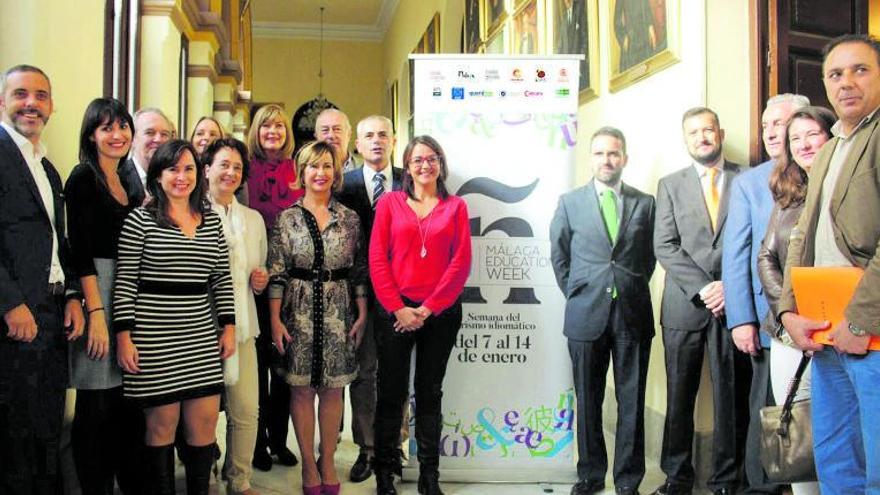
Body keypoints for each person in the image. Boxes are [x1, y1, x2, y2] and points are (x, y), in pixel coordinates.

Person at [778, 34, 880, 494]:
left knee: (876, 463)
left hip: (869, 334)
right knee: (836, 460)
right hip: (824, 332)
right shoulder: (831, 146)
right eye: (835, 74)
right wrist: (787, 313)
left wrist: (859, 323)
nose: (846, 83)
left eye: (860, 70)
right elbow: (801, 236)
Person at [113, 139, 236, 494]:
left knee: (204, 427)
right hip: (153, 339)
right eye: (173, 169)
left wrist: (228, 327)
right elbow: (125, 284)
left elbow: (221, 279)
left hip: (199, 336)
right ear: (158, 175)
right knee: (161, 429)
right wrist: (124, 336)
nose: (181, 177)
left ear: (199, 174)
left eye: (188, 169)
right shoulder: (140, 221)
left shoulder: (211, 222)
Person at [550, 127, 656, 495]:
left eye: (613, 153)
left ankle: (628, 481)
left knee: (632, 401)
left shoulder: (646, 204)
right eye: (599, 153)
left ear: (624, 158)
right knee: (588, 398)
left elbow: (650, 258)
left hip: (632, 313)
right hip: (585, 315)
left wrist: (626, 286)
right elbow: (559, 255)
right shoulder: (570, 202)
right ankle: (591, 475)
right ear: (590, 159)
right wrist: (578, 292)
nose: (606, 160)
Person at [369, 135, 472, 495]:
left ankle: (430, 475)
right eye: (417, 160)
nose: (424, 165)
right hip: (394, 312)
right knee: (391, 393)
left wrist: (427, 309)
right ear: (407, 166)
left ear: (440, 164)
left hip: (439, 314)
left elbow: (460, 264)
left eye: (431, 159)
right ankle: (385, 472)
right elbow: (377, 259)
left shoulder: (456, 207)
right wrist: (398, 307)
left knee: (429, 392)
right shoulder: (390, 203)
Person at [0, 64, 85, 494]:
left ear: (51, 106)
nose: (31, 103)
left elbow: (57, 241)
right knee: (15, 436)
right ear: (2, 101)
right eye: (20, 94)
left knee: (47, 427)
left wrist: (71, 294)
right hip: (15, 318)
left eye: (40, 95)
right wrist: (9, 303)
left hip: (52, 317)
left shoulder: (47, 168)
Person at [268, 140, 367, 495]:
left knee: (332, 389)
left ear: (335, 171)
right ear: (302, 171)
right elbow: (277, 272)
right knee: (300, 389)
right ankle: (308, 464)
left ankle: (328, 459)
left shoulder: (350, 218)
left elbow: (358, 270)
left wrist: (363, 311)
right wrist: (276, 319)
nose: (320, 173)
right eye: (313, 166)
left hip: (340, 309)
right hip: (298, 309)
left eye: (327, 166)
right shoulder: (287, 218)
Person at [652, 107, 742, 495]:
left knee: (730, 398)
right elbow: (664, 246)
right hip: (684, 307)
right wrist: (705, 287)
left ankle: (726, 480)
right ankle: (677, 477)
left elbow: (753, 239)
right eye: (694, 132)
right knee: (680, 396)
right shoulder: (670, 184)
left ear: (720, 132)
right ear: (684, 139)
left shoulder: (749, 178)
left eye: (708, 130)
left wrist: (728, 288)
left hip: (733, 305)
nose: (702, 137)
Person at [721, 93, 808, 495]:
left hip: (825, 320)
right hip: (769, 322)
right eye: (766, 125)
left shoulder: (823, 168)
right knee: (769, 413)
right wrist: (741, 319)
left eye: (781, 123)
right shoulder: (749, 183)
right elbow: (737, 253)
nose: (772, 132)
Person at [64, 97, 140, 494]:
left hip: (128, 291)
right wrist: (95, 311)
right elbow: (78, 249)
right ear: (92, 134)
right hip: (97, 289)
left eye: (123, 126)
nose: (117, 135)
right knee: (95, 404)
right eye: (106, 128)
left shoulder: (129, 179)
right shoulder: (83, 177)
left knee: (122, 402)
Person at [757, 105, 834, 495]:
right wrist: (787, 313)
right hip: (788, 335)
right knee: (798, 429)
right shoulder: (787, 195)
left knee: (840, 430)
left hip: (839, 331)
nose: (804, 144)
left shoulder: (845, 186)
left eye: (812, 134)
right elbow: (766, 257)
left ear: (830, 135)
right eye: (795, 138)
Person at [335, 114, 403, 483]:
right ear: (357, 145)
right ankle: (368, 448)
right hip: (356, 294)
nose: (376, 141)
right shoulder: (342, 184)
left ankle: (395, 446)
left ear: (393, 140)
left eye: (383, 134)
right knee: (363, 372)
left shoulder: (411, 181)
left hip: (402, 293)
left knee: (397, 373)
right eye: (368, 136)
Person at [203, 137, 266, 495]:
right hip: (202, 328)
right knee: (205, 414)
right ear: (207, 169)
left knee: (245, 410)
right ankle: (206, 479)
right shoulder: (193, 212)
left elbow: (257, 273)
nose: (230, 172)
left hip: (244, 326)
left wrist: (260, 279)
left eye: (237, 167)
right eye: (223, 164)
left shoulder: (253, 219)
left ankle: (239, 480)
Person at [246, 103, 303, 470]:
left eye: (279, 126)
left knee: (284, 364)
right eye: (266, 125)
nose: (273, 131)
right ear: (256, 130)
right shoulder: (244, 168)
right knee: (258, 365)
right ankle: (256, 443)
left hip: (291, 279)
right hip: (252, 278)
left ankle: (280, 441)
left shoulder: (297, 169)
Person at [118, 107, 173, 206]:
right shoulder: (117, 179)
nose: (158, 139)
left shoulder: (176, 179)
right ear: (132, 139)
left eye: (164, 134)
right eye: (150, 133)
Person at [315, 108, 357, 173]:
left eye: (337, 129)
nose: (331, 136)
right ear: (316, 136)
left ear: (349, 135)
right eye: (325, 130)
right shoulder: (306, 169)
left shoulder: (367, 167)